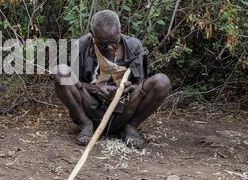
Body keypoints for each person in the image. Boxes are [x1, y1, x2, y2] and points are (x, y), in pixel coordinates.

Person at [54, 10, 170, 148]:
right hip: (91, 107)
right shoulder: (82, 45)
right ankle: (85, 124)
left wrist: (124, 89)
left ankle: (131, 127)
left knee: (162, 81)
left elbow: (140, 85)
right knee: (61, 72)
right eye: (103, 43)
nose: (109, 47)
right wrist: (97, 88)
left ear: (120, 32)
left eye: (114, 42)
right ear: (92, 34)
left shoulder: (134, 46)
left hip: (125, 110)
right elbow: (75, 83)